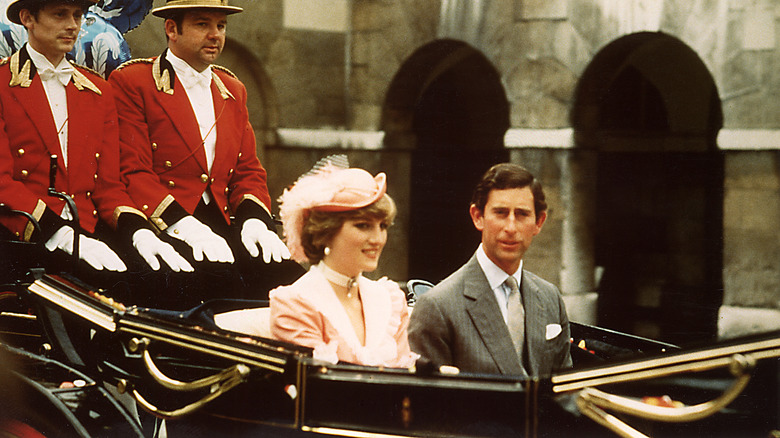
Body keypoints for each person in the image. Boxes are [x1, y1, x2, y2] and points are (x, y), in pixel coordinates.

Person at [107, 0, 304, 306]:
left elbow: (248, 169)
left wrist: (255, 221)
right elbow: (133, 170)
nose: (215, 35)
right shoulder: (134, 82)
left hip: (224, 219)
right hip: (165, 222)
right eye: (202, 24)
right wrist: (182, 224)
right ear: (172, 28)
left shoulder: (232, 89)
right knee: (214, 286)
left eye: (221, 26)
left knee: (290, 283)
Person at [0, 0, 191, 289]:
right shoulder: (3, 84)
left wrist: (139, 232)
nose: (72, 25)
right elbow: (2, 182)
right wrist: (58, 233)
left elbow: (108, 186)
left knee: (166, 278)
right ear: (28, 18)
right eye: (60, 14)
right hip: (23, 233)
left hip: (87, 228)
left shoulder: (98, 91)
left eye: (78, 15)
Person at [408, 163, 572, 377]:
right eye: (501, 213)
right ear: (478, 216)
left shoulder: (551, 298)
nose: (511, 227)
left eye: (522, 214)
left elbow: (565, 392)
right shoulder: (438, 306)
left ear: (538, 222)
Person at [267, 157, 417, 368]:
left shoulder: (390, 300)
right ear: (326, 231)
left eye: (382, 226)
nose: (377, 239)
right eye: (363, 226)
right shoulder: (295, 303)